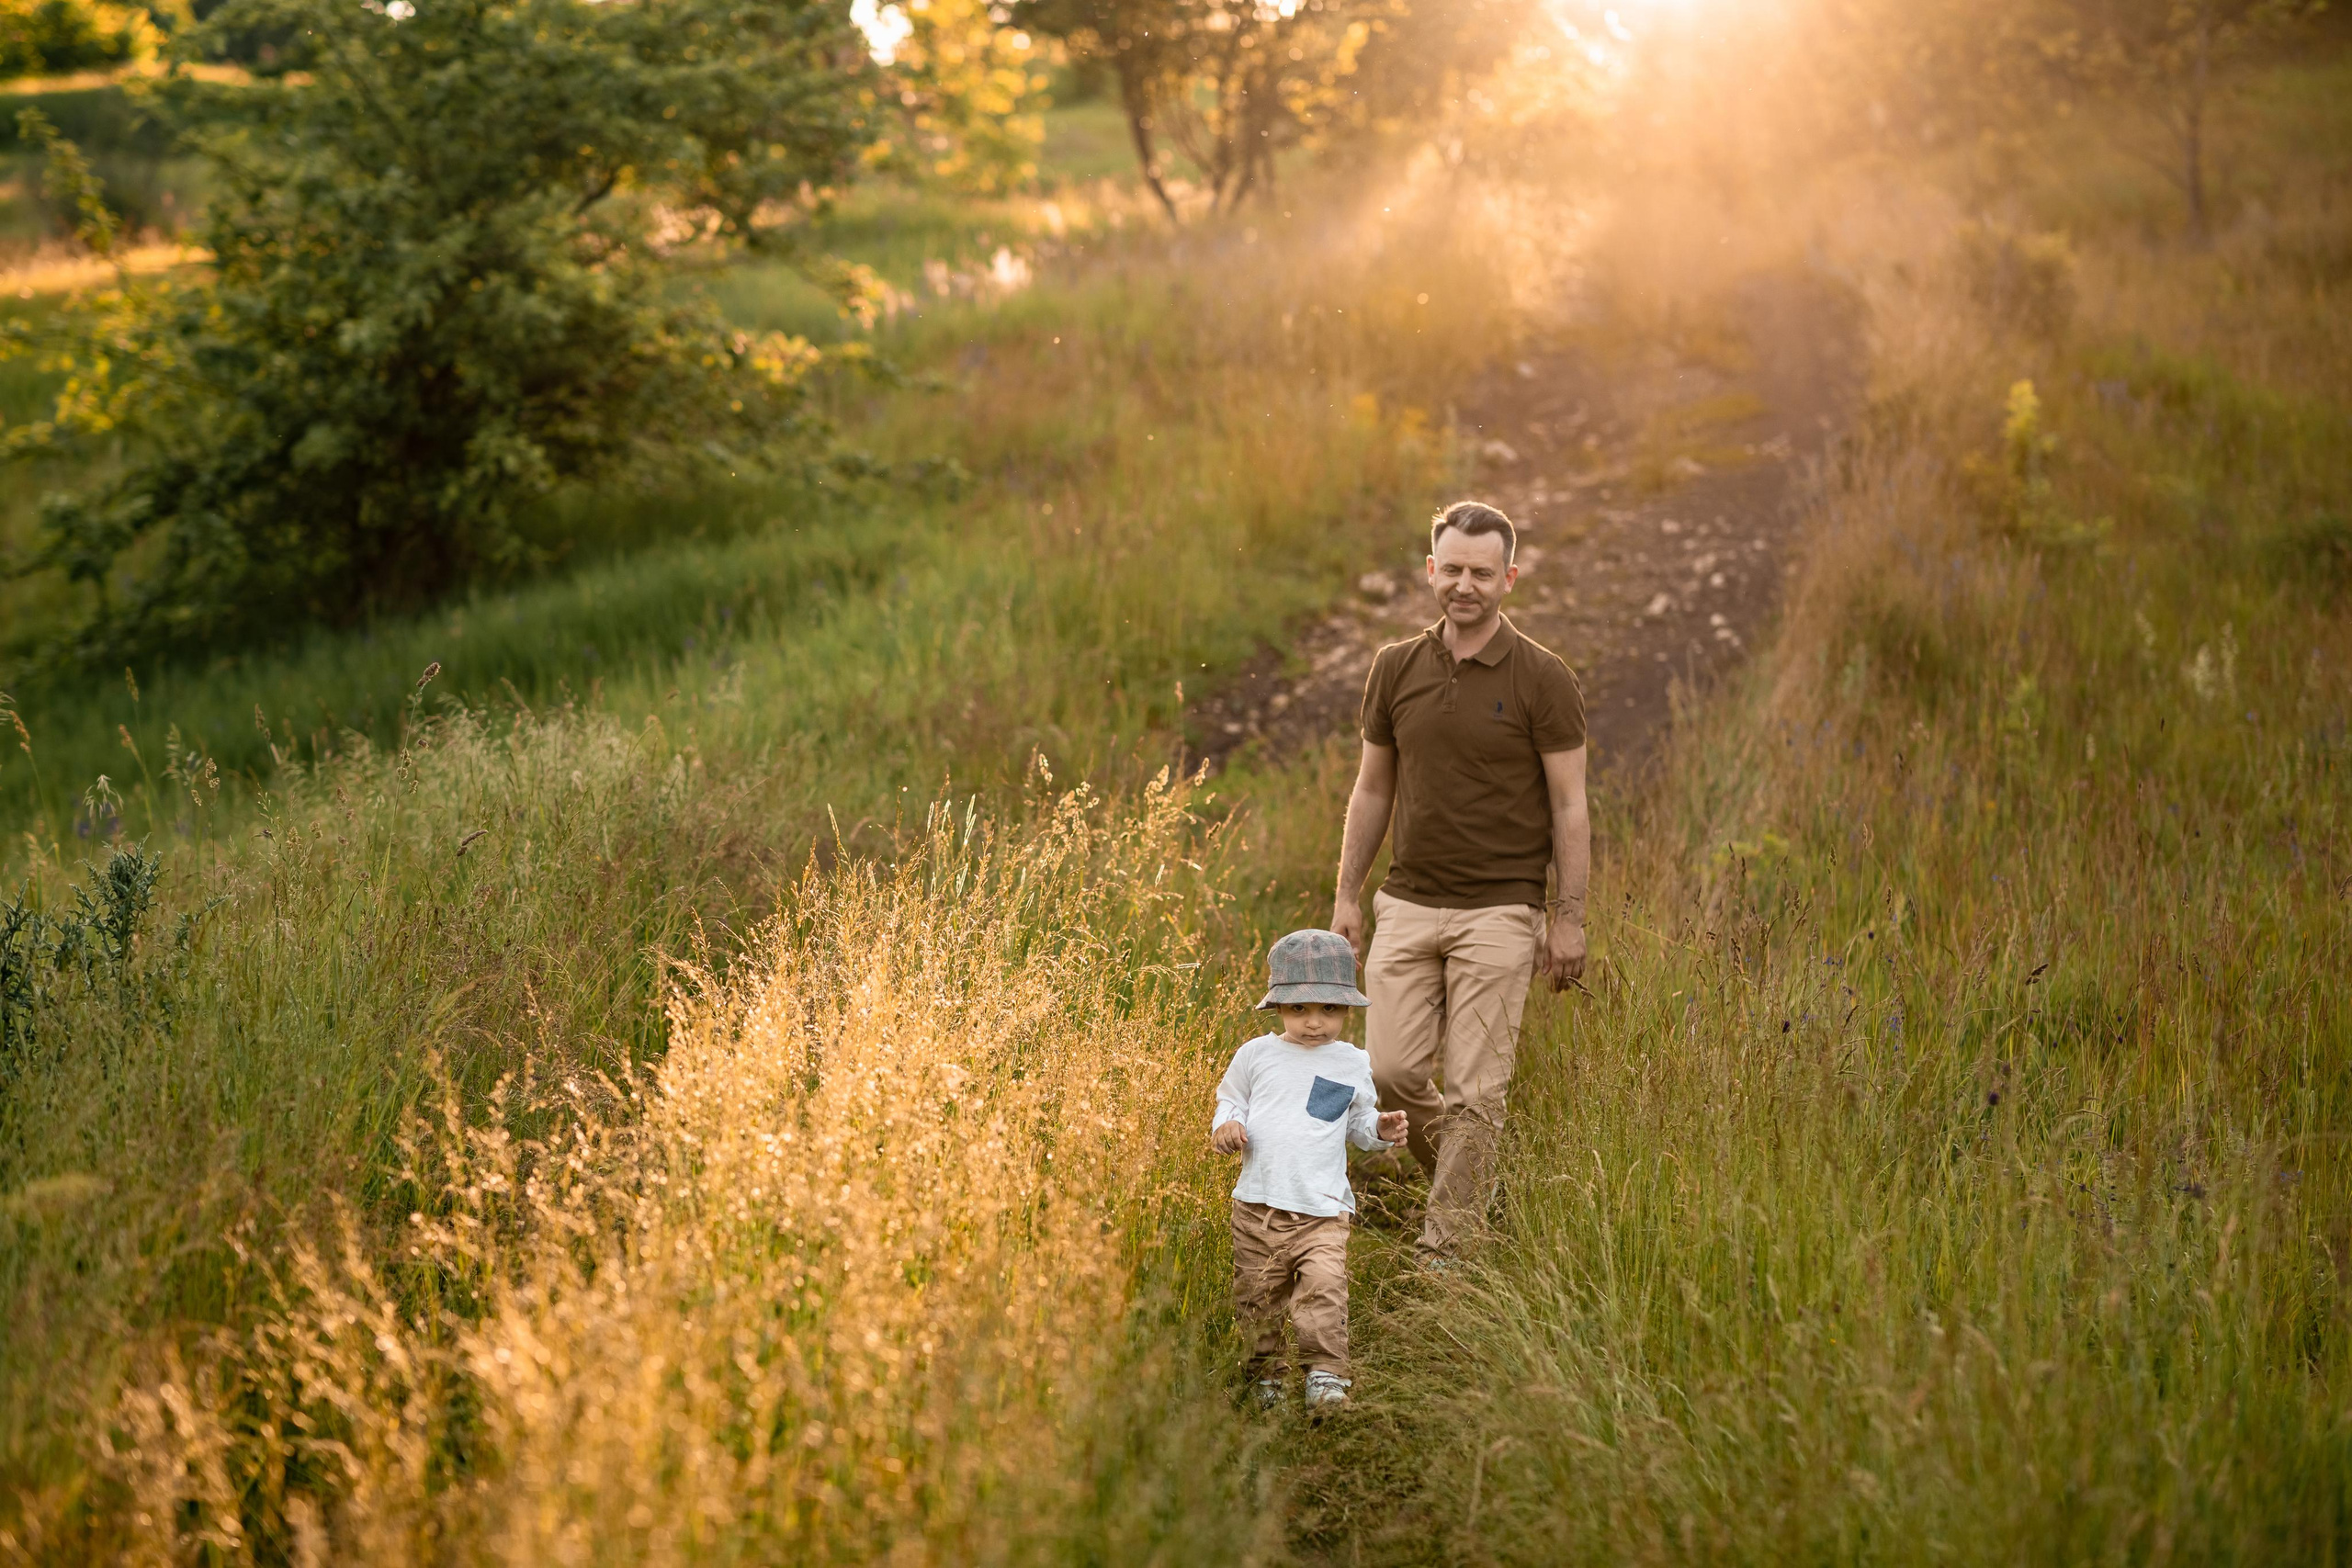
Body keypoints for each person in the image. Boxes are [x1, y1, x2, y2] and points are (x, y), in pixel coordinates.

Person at [1331, 500, 1589, 1262]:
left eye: (1482, 572)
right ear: (1430, 570)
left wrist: (1566, 917)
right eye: (1452, 570)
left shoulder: (1544, 677)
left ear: (1509, 577)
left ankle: (1448, 1252)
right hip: (1406, 902)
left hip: (1502, 912)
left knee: (1478, 1091)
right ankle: (1475, 1185)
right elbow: (1372, 788)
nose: (1465, 585)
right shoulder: (1395, 667)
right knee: (1392, 1072)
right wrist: (1349, 895)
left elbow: (1571, 805)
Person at [1212, 929, 1409, 1413]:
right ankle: (1266, 1375)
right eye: (1300, 1010)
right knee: (1257, 1297)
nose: (1315, 1023)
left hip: (1321, 1210)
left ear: (1347, 1010)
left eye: (1329, 1010)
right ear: (1278, 1007)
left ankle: (1324, 1374)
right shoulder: (1256, 1055)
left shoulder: (1351, 1061)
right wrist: (1228, 1124)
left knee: (1323, 1290)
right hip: (1257, 1206)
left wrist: (1378, 1128)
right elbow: (1230, 1099)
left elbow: (1358, 1124)